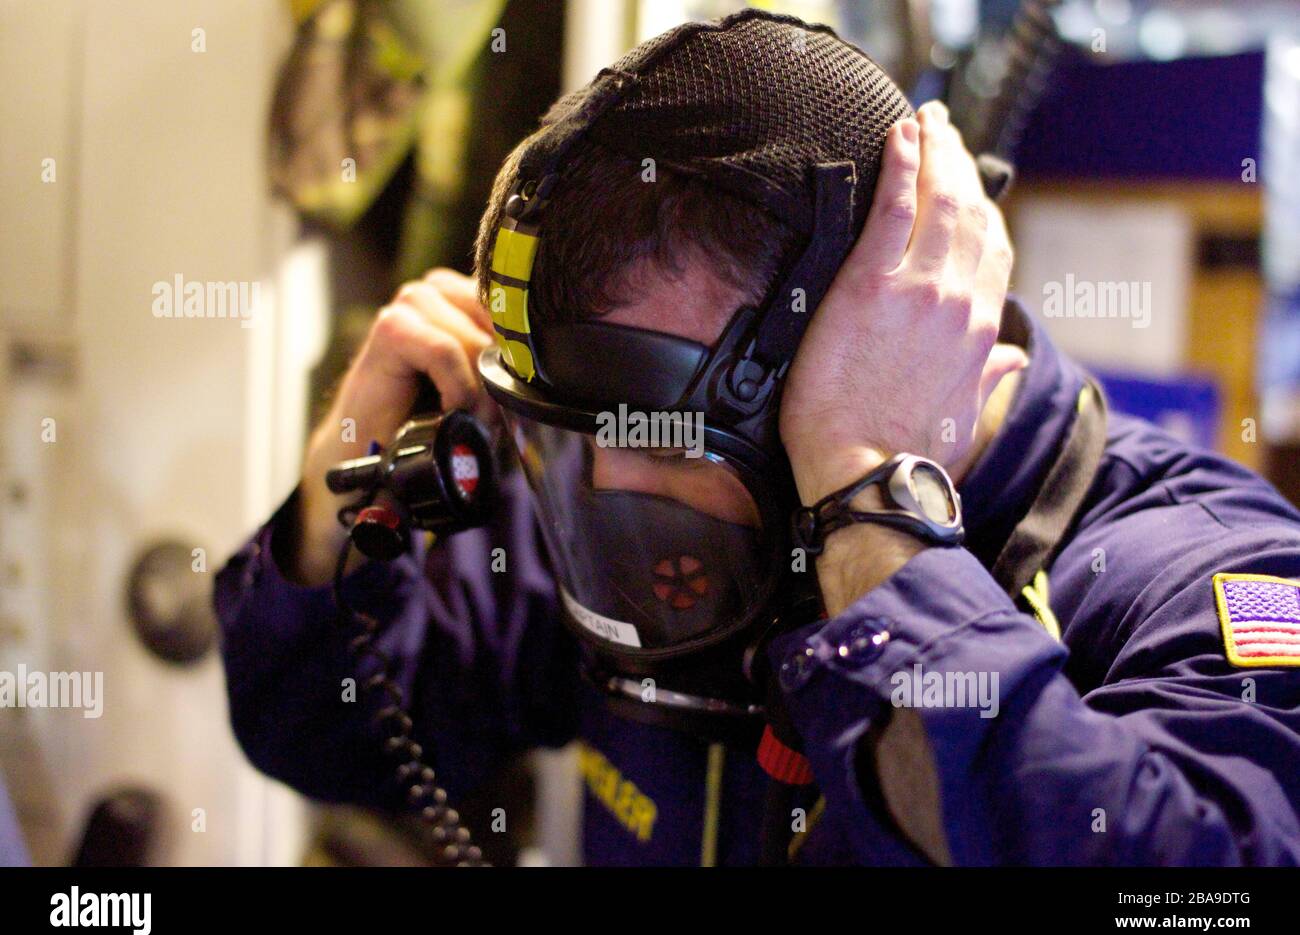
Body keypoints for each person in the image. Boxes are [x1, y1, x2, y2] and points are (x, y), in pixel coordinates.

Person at [216, 10, 1300, 865]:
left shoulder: (1203, 570)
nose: (607, 484)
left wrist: (868, 501)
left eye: (667, 439)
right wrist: (334, 504)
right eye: (578, 438)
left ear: (864, 344)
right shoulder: (626, 510)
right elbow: (327, 730)